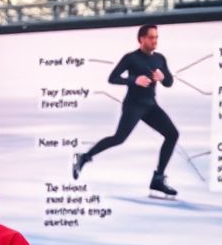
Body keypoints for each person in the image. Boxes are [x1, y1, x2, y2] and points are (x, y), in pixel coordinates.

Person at [72, 24, 179, 197]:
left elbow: (169, 82)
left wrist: (163, 77)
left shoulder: (160, 58)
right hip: (133, 105)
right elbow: (112, 78)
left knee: (172, 134)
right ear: (141, 39)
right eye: (151, 37)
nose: (155, 41)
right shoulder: (131, 58)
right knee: (119, 138)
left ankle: (158, 179)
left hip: (151, 105)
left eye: (156, 37)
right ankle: (84, 157)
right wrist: (133, 80)